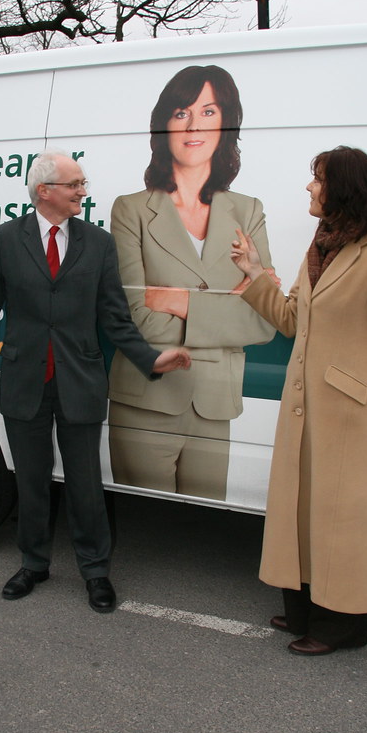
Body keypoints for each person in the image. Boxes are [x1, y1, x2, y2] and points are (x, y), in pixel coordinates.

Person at [0, 150, 190, 613]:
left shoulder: (98, 242)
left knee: (86, 484)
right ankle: (33, 564)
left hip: (80, 380)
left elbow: (115, 316)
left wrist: (151, 359)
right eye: (75, 184)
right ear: (44, 191)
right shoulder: (5, 239)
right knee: (31, 482)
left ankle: (95, 571)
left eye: (82, 183)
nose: (83, 192)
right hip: (25, 379)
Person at [230, 146, 367, 655]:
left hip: (353, 414)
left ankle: (343, 627)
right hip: (305, 408)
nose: (310, 187)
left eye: (318, 178)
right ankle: (304, 612)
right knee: (303, 512)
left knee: (345, 521)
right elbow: (292, 320)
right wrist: (254, 272)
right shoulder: (319, 247)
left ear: (345, 189)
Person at [108, 64, 275, 500]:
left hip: (215, 401)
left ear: (227, 123)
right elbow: (136, 315)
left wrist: (180, 302)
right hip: (146, 399)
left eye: (209, 111)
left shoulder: (248, 210)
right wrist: (231, 305)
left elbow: (265, 319)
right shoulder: (131, 209)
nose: (194, 125)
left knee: (203, 527)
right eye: (181, 112)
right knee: (148, 527)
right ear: (163, 124)